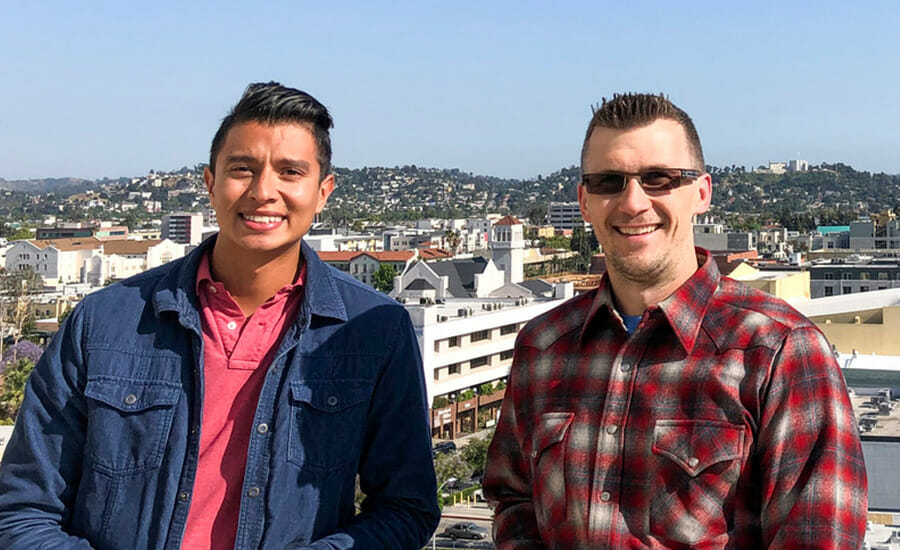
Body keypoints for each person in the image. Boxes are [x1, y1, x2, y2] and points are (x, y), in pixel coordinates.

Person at [0, 82, 439, 549]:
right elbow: (24, 508)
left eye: (290, 172)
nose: (263, 191)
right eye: (242, 169)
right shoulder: (105, 321)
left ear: (323, 192)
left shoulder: (373, 330)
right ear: (210, 182)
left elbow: (405, 509)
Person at [483, 93, 867, 549]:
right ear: (585, 202)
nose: (632, 202)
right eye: (609, 181)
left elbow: (817, 537)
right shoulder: (544, 346)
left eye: (659, 178)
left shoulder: (778, 352)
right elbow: (514, 498)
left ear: (701, 193)